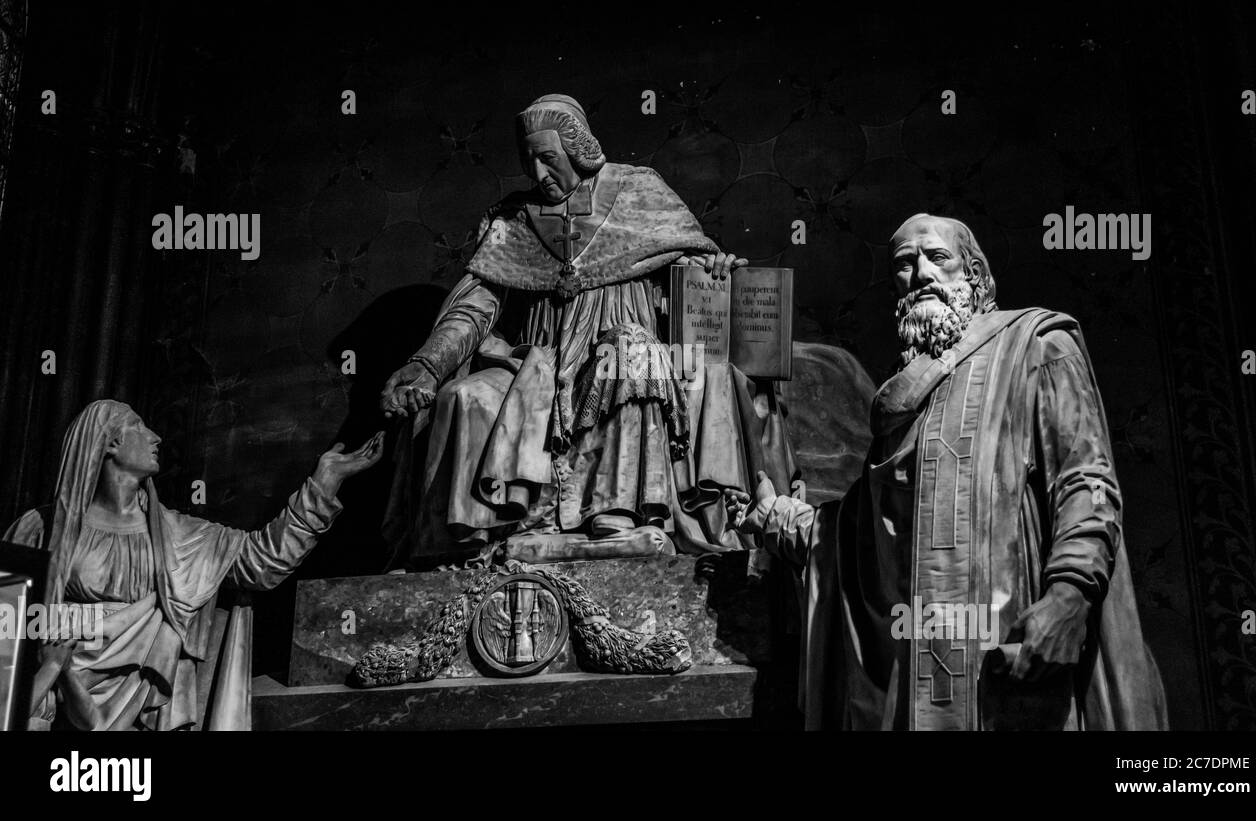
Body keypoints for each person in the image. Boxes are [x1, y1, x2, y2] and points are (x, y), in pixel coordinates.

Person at [725, 214, 1168, 730]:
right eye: (904, 264)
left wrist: (1069, 597)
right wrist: (775, 516)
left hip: (1012, 644)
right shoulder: (905, 399)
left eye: (937, 257)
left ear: (974, 274)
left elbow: (1084, 481)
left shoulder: (1035, 344)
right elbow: (861, 536)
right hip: (920, 668)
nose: (921, 273)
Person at [381, 94, 796, 567]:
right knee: (465, 398)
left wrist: (715, 270)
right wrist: (427, 364)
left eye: (548, 158)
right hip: (541, 363)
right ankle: (468, 552)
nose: (538, 174)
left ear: (577, 150)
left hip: (626, 346)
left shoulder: (638, 191)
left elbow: (693, 271)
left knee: (627, 353)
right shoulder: (513, 220)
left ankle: (615, 514)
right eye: (528, 160)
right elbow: (474, 308)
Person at [3, 399, 383, 730]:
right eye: (138, 426)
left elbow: (264, 560)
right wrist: (51, 663)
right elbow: (6, 636)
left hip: (145, 701)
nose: (156, 437)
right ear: (111, 441)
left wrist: (323, 483)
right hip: (54, 707)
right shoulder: (38, 530)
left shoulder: (182, 537)